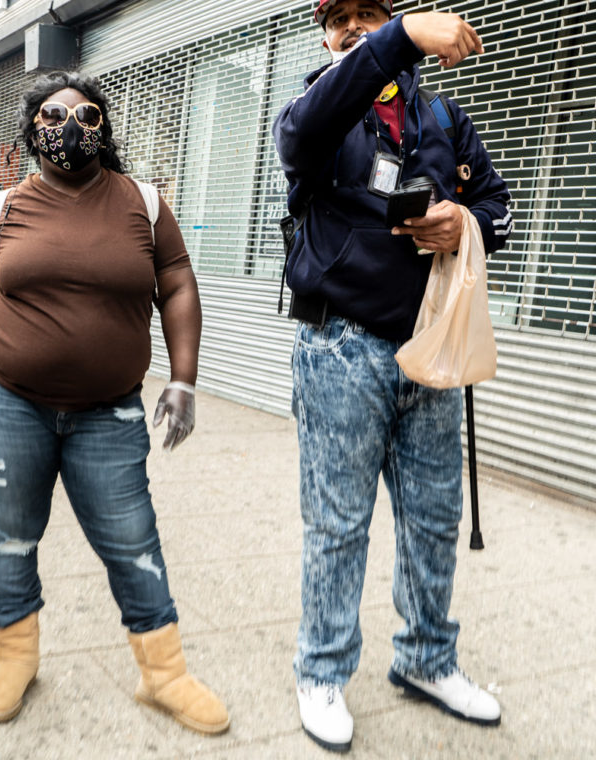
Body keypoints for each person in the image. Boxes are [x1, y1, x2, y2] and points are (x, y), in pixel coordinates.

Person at [0, 70, 229, 735]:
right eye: (54, 116)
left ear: (104, 128)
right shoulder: (1, 211)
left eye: (87, 115)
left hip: (109, 411)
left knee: (132, 540)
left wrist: (183, 379)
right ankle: (16, 658)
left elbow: (176, 284)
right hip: (8, 403)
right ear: (32, 132)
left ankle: (164, 674)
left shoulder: (143, 204)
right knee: (10, 539)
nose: (71, 127)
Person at [273, 1, 512, 752]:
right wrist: (401, 33)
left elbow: (496, 206)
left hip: (429, 349)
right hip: (340, 347)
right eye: (335, 16)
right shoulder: (318, 109)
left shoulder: (442, 116)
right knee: (339, 524)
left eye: (366, 12)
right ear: (325, 33)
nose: (348, 25)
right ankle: (322, 673)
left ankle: (426, 660)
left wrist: (462, 223)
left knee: (435, 520)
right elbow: (305, 130)